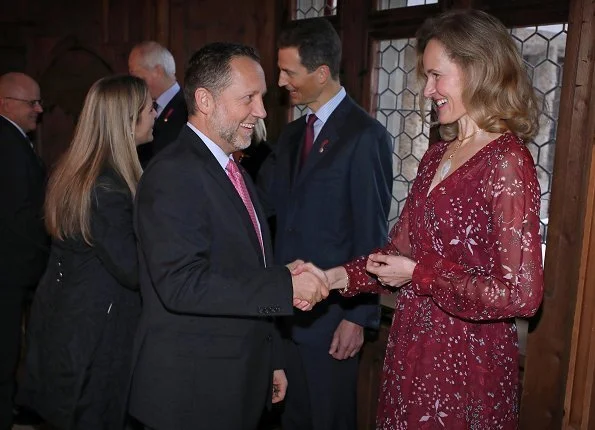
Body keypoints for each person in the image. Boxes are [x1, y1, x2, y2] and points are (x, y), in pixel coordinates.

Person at [297, 9, 545, 429]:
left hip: (467, 362)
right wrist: (332, 277)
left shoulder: (507, 161)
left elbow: (521, 295)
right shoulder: (435, 157)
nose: (427, 90)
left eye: (436, 75)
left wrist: (419, 275)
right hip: (413, 348)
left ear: (477, 70)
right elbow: (397, 254)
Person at [128, 42, 329, 430]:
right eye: (248, 98)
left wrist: (272, 359)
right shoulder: (174, 173)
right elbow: (181, 283)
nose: (262, 111)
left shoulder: (228, 168)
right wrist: (284, 286)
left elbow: (240, 266)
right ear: (205, 100)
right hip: (192, 394)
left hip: (237, 379)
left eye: (263, 97)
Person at [258, 18, 393, 430]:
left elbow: (372, 234)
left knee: (328, 419)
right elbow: (272, 208)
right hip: (286, 312)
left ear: (320, 73)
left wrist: (358, 316)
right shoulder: (293, 133)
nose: (280, 81)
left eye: (288, 72)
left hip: (334, 317)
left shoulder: (365, 135)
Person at [17, 75, 154, 430]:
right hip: (96, 332)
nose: (155, 113)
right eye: (148, 108)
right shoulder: (108, 186)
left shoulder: (79, 170)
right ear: (127, 120)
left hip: (71, 319)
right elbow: (132, 270)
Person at [0, 72, 48, 430]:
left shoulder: (14, 140)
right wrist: (45, 257)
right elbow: (19, 216)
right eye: (31, 103)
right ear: (5, 104)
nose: (40, 109)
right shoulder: (8, 143)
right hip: (10, 270)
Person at [129, 41, 188, 166]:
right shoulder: (135, 105)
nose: (132, 82)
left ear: (157, 71)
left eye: (135, 75)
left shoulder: (189, 109)